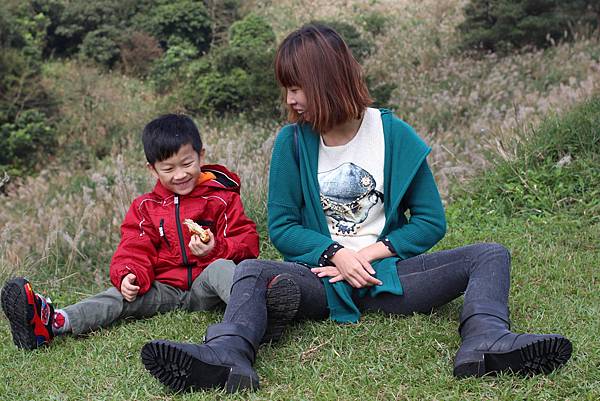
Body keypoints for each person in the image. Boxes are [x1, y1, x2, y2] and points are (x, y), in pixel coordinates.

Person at [140, 25, 572, 393]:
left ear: (327, 79)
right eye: (286, 89)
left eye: (296, 87)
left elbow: (429, 222)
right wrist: (334, 254)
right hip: (319, 280)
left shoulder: (393, 134)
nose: (289, 99)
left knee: (490, 254)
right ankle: (228, 355)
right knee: (252, 269)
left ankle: (486, 341)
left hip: (390, 280)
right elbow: (284, 226)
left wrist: (365, 255)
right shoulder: (291, 143)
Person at [1, 113, 294, 350]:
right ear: (152, 170)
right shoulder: (146, 207)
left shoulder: (221, 197)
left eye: (187, 163)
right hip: (165, 289)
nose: (179, 174)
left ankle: (259, 315)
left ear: (201, 155)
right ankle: (52, 323)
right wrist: (130, 274)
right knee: (118, 296)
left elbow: (248, 243)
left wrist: (217, 248)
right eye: (168, 168)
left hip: (208, 288)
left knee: (221, 269)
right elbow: (134, 246)